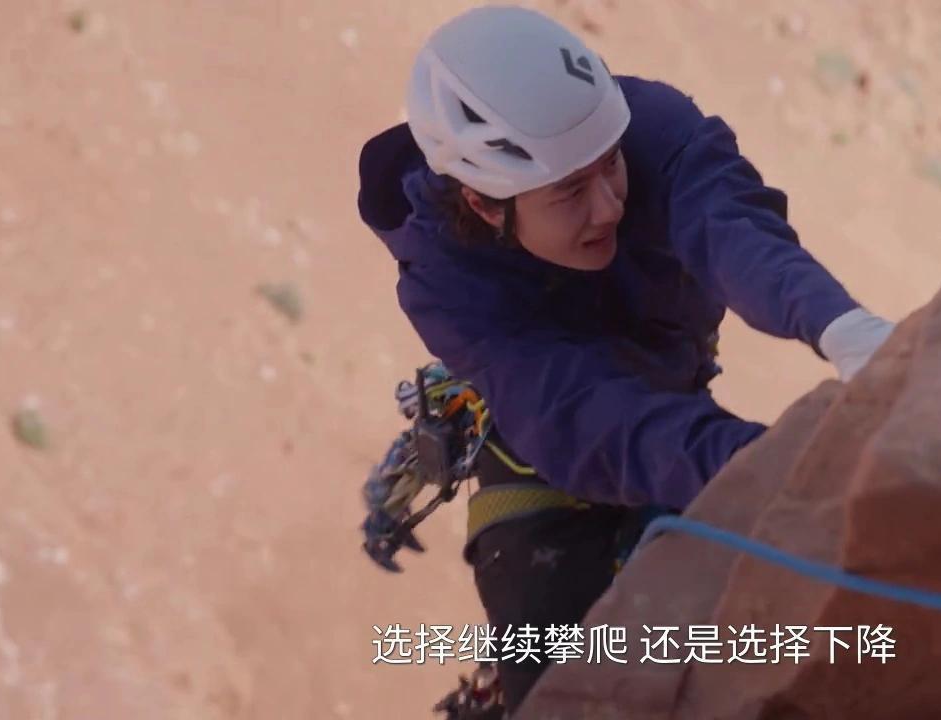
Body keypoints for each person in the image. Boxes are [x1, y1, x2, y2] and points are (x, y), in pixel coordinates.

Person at [355, 5, 894, 714]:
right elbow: (585, 416)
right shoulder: (446, 283)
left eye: (609, 166)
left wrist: (841, 326)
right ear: (485, 205)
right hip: (542, 459)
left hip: (670, 400)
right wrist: (762, 464)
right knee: (554, 686)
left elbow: (734, 230)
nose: (608, 204)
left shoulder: (653, 130)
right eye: (569, 192)